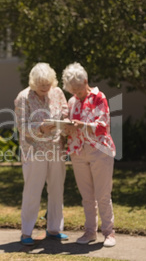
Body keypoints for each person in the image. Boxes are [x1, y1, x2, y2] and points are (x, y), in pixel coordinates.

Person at [62, 62, 116, 247]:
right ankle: (90, 232)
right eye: (72, 90)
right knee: (87, 196)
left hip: (99, 151)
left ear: (85, 81)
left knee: (103, 195)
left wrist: (81, 125)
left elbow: (102, 126)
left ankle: (109, 232)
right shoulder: (72, 101)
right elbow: (69, 128)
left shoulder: (99, 97)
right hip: (78, 152)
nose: (76, 93)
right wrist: (66, 127)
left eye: (78, 88)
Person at [14, 62, 69, 246]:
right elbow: (21, 127)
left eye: (48, 84)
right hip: (34, 151)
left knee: (56, 189)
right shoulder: (23, 98)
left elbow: (65, 112)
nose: (45, 88)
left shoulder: (57, 92)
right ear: (33, 83)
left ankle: (54, 229)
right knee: (32, 191)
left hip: (55, 148)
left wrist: (63, 122)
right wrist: (40, 128)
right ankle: (26, 232)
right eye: (41, 85)